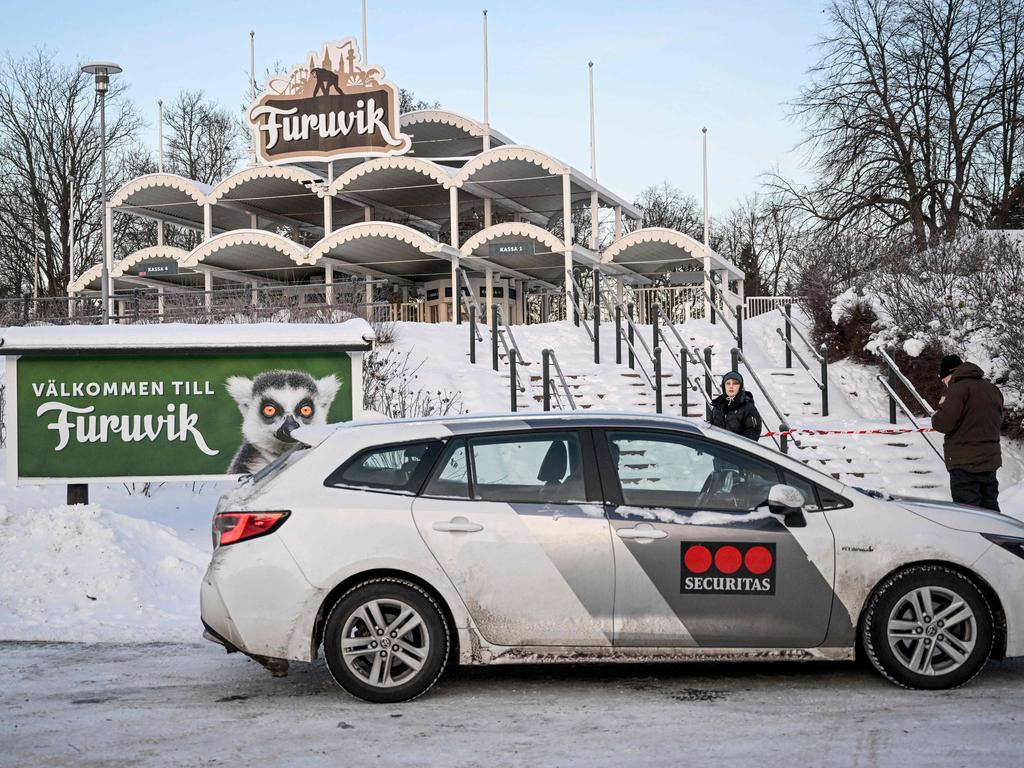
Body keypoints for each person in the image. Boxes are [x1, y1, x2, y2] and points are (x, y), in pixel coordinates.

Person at [930, 354, 1004, 512]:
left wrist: (938, 413)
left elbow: (943, 424)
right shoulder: (992, 389)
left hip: (965, 462)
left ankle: (974, 538)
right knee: (990, 510)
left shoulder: (957, 389)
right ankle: (996, 536)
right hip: (989, 460)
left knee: (969, 514)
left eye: (944, 380)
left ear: (949, 374)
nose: (945, 384)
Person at [709, 371, 763, 441]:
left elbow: (753, 432)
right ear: (724, 386)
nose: (731, 386)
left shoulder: (748, 407)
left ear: (740, 386)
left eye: (735, 383)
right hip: (719, 449)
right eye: (728, 383)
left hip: (737, 450)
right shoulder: (717, 406)